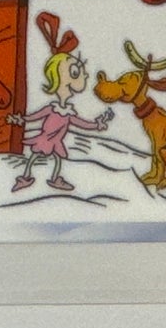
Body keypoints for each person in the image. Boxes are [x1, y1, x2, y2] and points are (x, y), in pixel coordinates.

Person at [8, 12, 112, 193]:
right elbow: (35, 116)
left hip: (56, 141)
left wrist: (97, 125)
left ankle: (54, 179)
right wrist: (20, 120)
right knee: (35, 156)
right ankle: (26, 177)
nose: (85, 75)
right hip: (45, 138)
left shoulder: (68, 112)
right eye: (75, 72)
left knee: (56, 158)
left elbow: (81, 123)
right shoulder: (52, 108)